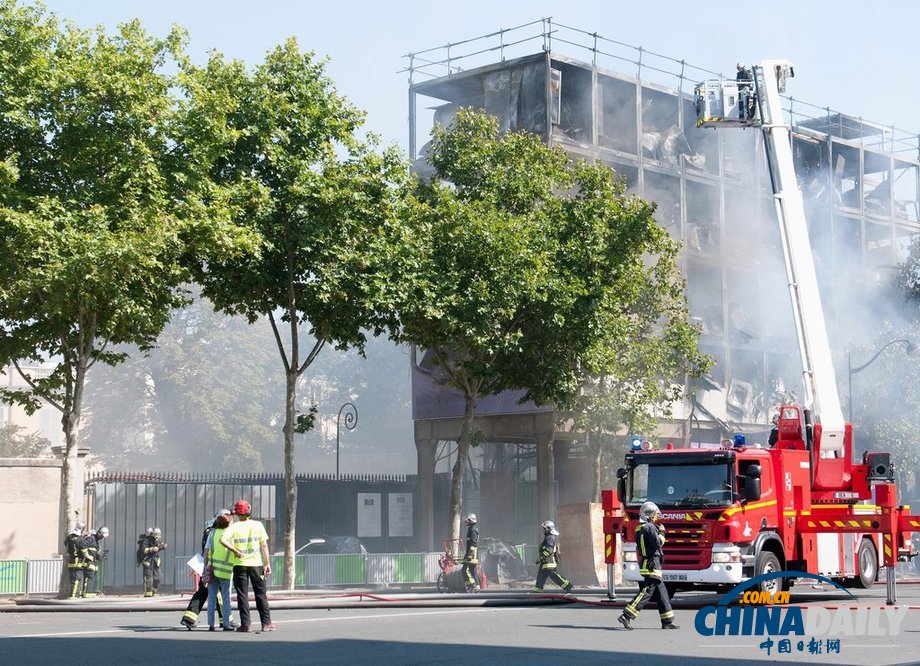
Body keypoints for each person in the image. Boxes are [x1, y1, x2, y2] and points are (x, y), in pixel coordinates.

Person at [618, 501, 678, 630]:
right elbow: (658, 543)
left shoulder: (640, 527)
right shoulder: (649, 527)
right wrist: (662, 533)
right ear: (650, 515)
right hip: (652, 564)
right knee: (646, 592)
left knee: (662, 593)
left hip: (649, 563)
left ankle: (667, 621)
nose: (657, 517)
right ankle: (626, 615)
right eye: (655, 515)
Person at [220, 499, 275, 632]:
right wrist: (267, 564)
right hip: (257, 564)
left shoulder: (233, 527)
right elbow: (264, 545)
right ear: (249, 511)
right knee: (261, 594)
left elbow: (222, 539)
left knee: (242, 595)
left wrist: (235, 551)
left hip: (239, 565)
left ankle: (246, 624)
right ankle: (266, 623)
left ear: (237, 513)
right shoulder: (258, 525)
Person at [181, 510, 234, 630]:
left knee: (205, 592)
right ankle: (225, 620)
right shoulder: (214, 532)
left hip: (207, 566)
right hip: (212, 567)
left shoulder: (210, 531)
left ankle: (191, 619)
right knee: (216, 594)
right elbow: (208, 550)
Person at [206, 511, 235, 631]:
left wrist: (205, 567)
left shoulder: (212, 533)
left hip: (212, 568)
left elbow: (206, 551)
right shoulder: (231, 534)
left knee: (211, 597)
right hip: (226, 570)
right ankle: (226, 624)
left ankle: (211, 624)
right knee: (226, 597)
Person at [532, 520, 574, 594]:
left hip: (549, 563)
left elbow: (549, 550)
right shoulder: (548, 537)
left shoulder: (550, 538)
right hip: (545, 563)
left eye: (544, 529)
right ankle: (537, 592)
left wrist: (541, 558)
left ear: (548, 529)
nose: (543, 530)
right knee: (540, 578)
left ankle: (568, 586)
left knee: (554, 576)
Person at [81, 526, 109, 597]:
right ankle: (87, 593)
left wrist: (101, 555)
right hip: (88, 562)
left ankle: (90, 592)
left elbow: (95, 553)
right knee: (89, 577)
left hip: (93, 563)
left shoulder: (96, 541)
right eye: (102, 536)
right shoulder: (91, 539)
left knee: (92, 578)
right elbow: (82, 546)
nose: (102, 538)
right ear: (99, 533)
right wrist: (87, 556)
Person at [140, 526, 167, 597]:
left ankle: (153, 591)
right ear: (152, 534)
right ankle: (147, 594)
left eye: (158, 534)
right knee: (148, 578)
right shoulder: (146, 540)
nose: (157, 536)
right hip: (147, 560)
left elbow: (159, 547)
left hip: (155, 560)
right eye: (156, 534)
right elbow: (143, 550)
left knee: (159, 577)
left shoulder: (157, 540)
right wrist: (151, 549)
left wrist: (162, 547)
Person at [65, 521, 86, 599]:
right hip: (78, 562)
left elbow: (66, 545)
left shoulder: (69, 537)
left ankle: (75, 595)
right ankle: (74, 595)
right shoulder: (80, 539)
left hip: (71, 561)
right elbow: (83, 550)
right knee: (77, 579)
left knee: (72, 580)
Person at [461, 513, 480, 593]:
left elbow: (473, 543)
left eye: (467, 521)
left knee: (465, 570)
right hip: (470, 554)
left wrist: (470, 554)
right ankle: (475, 587)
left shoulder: (473, 530)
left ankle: (472, 584)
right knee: (471, 570)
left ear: (470, 520)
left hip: (472, 555)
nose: (466, 522)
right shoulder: (471, 529)